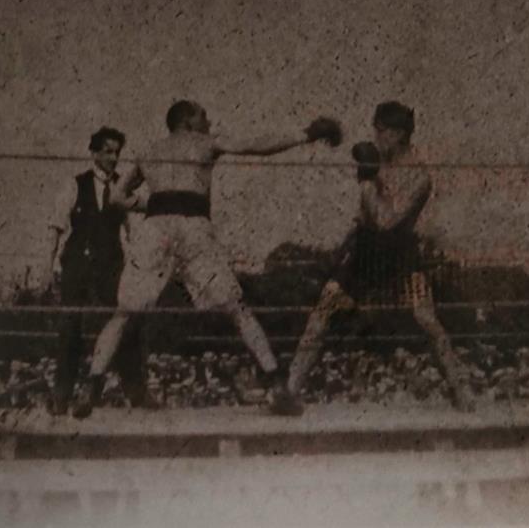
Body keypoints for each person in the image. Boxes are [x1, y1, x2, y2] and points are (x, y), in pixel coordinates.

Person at [75, 101, 342, 418]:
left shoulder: (149, 150)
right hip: (194, 228)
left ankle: (91, 385)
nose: (208, 120)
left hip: (155, 228)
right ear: (187, 120)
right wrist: (306, 134)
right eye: (202, 115)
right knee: (237, 308)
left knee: (123, 313)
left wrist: (150, 202)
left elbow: (117, 197)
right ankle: (276, 385)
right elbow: (256, 146)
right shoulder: (204, 142)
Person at [287, 101, 474, 411]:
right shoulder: (377, 164)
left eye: (381, 130)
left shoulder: (418, 176)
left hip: (398, 253)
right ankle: (290, 390)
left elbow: (387, 221)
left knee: (425, 318)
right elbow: (364, 218)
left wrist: (367, 181)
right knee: (321, 315)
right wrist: (344, 245)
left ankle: (461, 388)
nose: (375, 136)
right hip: (364, 253)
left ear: (399, 134)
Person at [42, 126, 145, 416]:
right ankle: (61, 395)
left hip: (110, 264)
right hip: (76, 261)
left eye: (117, 153)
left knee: (125, 321)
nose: (113, 158)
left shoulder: (123, 188)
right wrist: (46, 267)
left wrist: (138, 267)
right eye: (108, 152)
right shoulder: (74, 185)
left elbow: (133, 231)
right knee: (70, 326)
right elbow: (56, 226)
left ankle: (137, 393)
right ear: (95, 153)